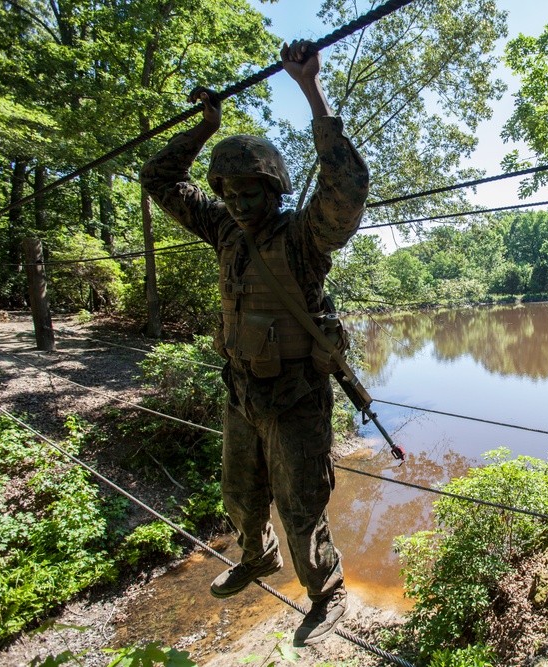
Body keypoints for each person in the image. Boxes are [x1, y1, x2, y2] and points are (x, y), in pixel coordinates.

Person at [140, 40, 368, 645]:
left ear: (274, 191)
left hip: (296, 397)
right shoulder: (223, 231)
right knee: (240, 497)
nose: (239, 205)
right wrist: (204, 127)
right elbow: (158, 178)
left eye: (251, 193)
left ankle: (327, 592)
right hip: (241, 391)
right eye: (230, 193)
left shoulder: (302, 237)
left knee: (302, 508)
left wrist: (311, 89)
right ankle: (256, 555)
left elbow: (345, 189)